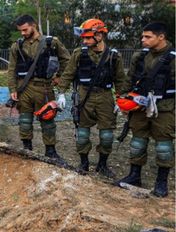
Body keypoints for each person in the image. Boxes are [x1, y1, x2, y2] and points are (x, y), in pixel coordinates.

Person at [56, 18, 128, 177]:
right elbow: (68, 74)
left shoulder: (113, 56)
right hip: (84, 96)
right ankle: (84, 163)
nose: (85, 41)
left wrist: (121, 99)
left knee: (107, 136)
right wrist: (61, 92)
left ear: (100, 35)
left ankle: (102, 164)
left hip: (105, 97)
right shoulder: (78, 53)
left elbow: (120, 80)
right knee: (82, 134)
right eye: (84, 38)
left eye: (89, 37)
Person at [115, 22, 175, 197]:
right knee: (137, 142)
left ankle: (161, 181)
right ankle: (135, 176)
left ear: (161, 37)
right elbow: (129, 79)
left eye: (148, 37)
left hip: (164, 108)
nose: (143, 40)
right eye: (143, 36)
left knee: (164, 147)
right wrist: (122, 98)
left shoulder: (173, 58)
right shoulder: (139, 57)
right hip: (139, 107)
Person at [8, 14, 70, 159]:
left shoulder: (51, 42)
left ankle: (50, 152)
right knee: (24, 121)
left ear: (33, 25)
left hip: (44, 88)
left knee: (47, 120)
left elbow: (67, 60)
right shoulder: (17, 46)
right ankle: (27, 149)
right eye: (20, 31)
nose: (22, 33)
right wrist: (12, 89)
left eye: (25, 29)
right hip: (24, 88)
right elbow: (11, 69)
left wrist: (59, 76)